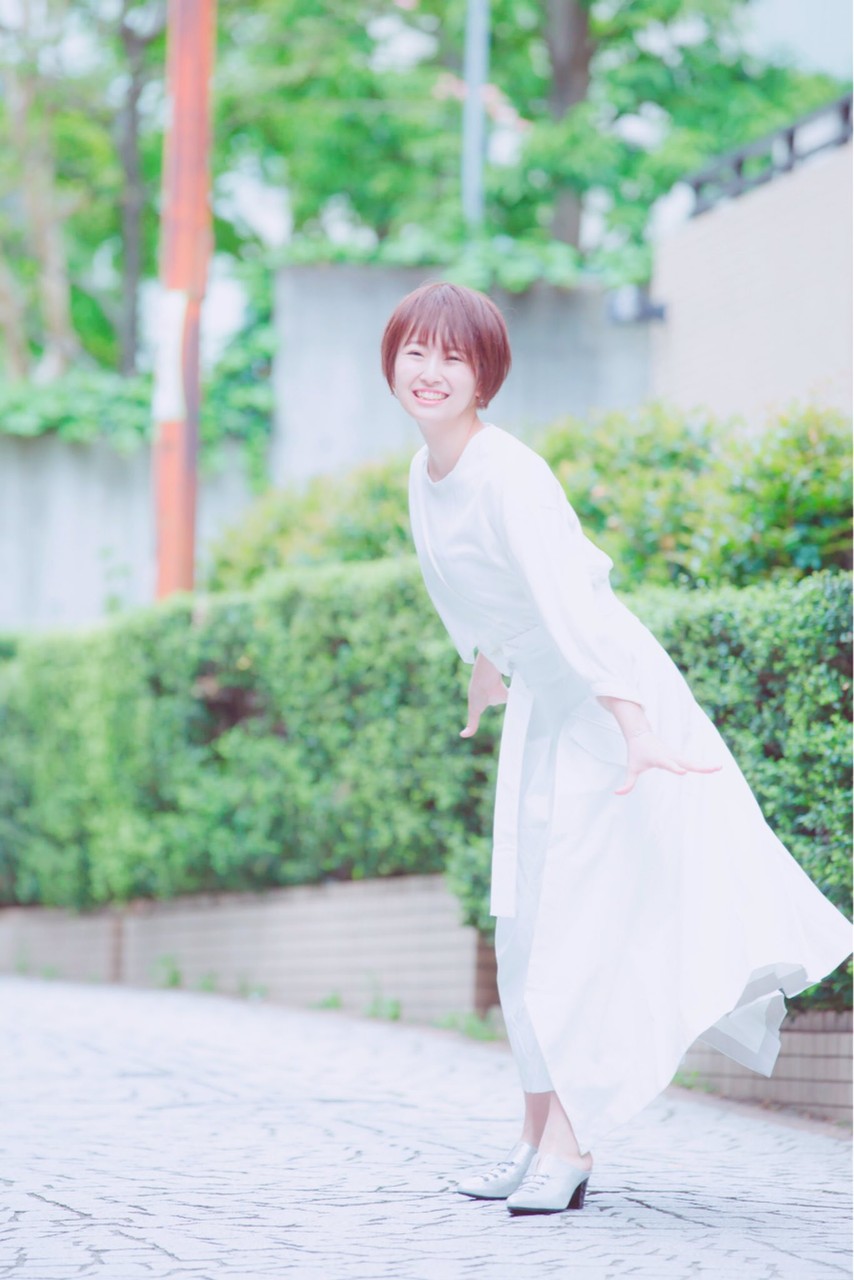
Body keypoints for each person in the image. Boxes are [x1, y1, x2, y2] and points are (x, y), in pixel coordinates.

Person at [381, 281, 852, 1217]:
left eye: (454, 358)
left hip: (606, 701)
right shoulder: (424, 471)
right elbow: (478, 591)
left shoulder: (511, 473)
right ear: (391, 363)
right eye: (415, 352)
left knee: (580, 925)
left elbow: (573, 600)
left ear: (486, 377)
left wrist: (634, 727)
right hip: (548, 704)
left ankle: (572, 1145)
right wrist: (485, 666)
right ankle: (533, 1137)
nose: (430, 372)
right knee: (524, 924)